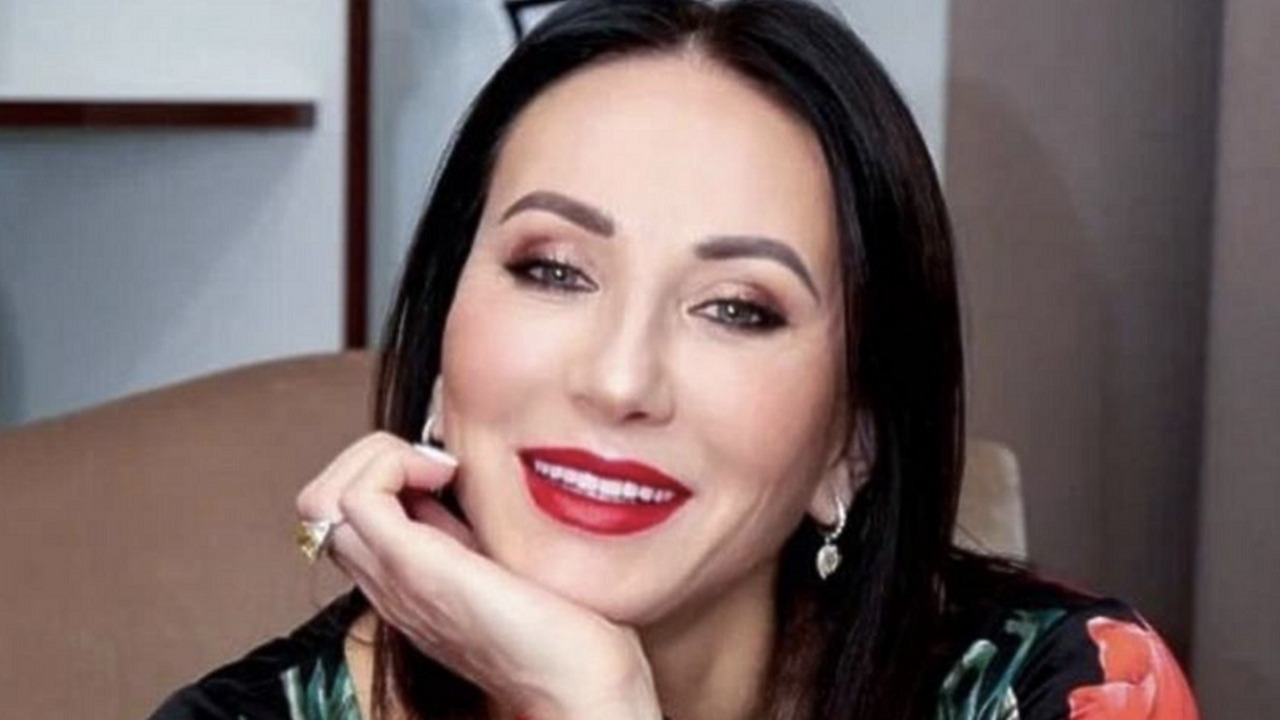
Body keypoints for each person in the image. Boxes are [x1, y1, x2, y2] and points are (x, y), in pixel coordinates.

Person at [151, 1, 1200, 719]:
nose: (619, 382)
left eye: (736, 309)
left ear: (854, 437)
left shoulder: (1061, 691)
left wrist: (592, 705)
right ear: (441, 338)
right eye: (553, 270)